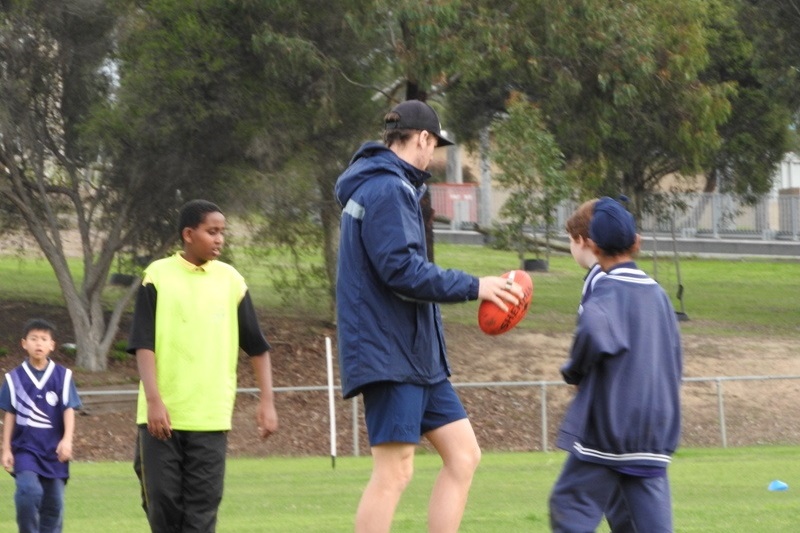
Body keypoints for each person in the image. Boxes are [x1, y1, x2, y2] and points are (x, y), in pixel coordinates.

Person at [335, 99, 525, 533]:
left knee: (463, 455)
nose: (434, 155)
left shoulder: (394, 187)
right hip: (389, 354)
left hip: (417, 357)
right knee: (394, 471)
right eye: (435, 145)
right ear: (422, 138)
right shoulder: (386, 188)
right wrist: (477, 286)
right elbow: (401, 271)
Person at [127, 199, 278, 532]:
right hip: (161, 419)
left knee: (201, 514)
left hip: (210, 419)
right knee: (163, 506)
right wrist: (154, 401)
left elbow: (257, 347)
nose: (219, 239)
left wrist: (266, 402)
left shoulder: (232, 282)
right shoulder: (157, 276)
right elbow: (143, 344)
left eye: (222, 232)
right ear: (188, 234)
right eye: (212, 232)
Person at [549, 197, 683, 532]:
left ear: (592, 245)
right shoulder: (659, 295)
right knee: (644, 521)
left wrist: (574, 371)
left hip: (610, 426)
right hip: (657, 429)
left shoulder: (606, 291)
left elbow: (593, 330)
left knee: (570, 505)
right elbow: (674, 355)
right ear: (636, 242)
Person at [0, 318, 82, 533]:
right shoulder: (13, 378)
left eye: (44, 339)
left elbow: (68, 409)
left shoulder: (63, 377)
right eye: (34, 338)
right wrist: (6, 448)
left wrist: (67, 440)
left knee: (54, 506)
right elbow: (10, 413)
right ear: (24, 343)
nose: (39, 343)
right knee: (28, 492)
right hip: (26, 449)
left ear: (52, 345)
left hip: (55, 451)